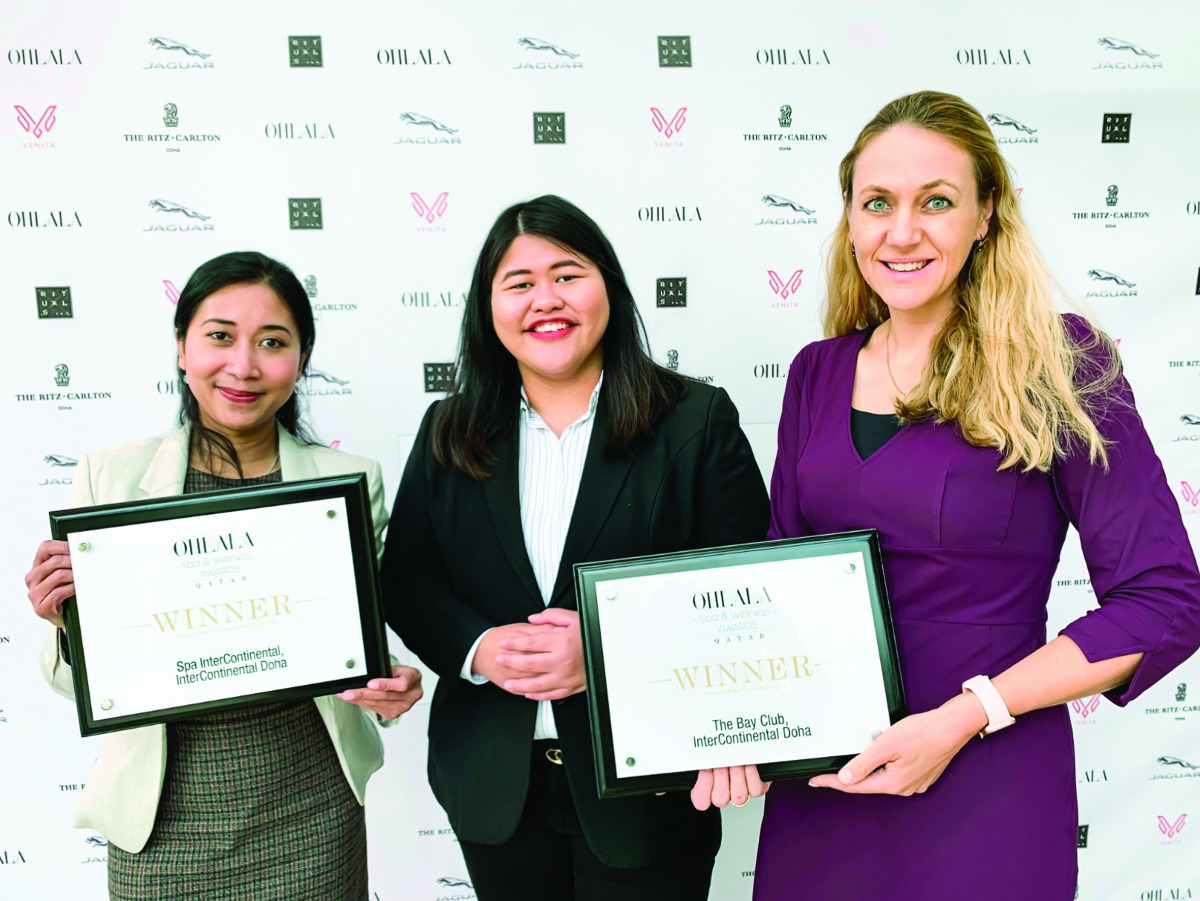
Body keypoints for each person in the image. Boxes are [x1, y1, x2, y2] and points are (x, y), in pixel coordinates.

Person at [695, 90, 1200, 899]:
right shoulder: (816, 373)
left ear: (986, 213)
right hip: (830, 786)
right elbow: (777, 589)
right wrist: (735, 725)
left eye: (936, 201)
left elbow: (1165, 598)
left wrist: (968, 714)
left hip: (988, 780)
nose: (902, 232)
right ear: (851, 219)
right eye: (877, 203)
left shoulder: (1063, 363)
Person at [381, 195, 769, 900]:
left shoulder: (694, 420)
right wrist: (477, 649)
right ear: (488, 307)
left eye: (568, 273)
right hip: (494, 785)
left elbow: (744, 592)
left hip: (648, 785)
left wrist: (605, 653)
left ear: (609, 289)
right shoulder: (450, 428)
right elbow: (407, 577)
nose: (545, 299)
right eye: (519, 283)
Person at [24, 250, 423, 900]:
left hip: (310, 817)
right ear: (182, 348)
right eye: (219, 336)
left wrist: (391, 677)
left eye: (272, 342)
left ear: (300, 360)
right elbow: (75, 685)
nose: (243, 366)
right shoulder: (111, 479)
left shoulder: (345, 485)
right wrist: (66, 626)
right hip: (158, 829)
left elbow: (352, 637)